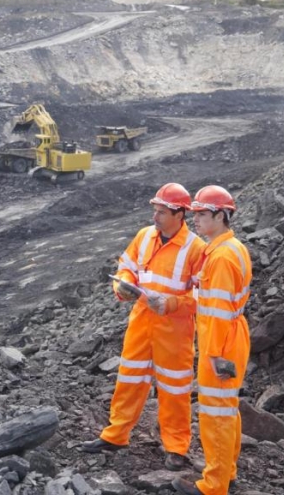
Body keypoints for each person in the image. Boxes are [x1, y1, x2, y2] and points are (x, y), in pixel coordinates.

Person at [80, 183, 206, 473]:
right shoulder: (144, 237)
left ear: (180, 214)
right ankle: (116, 435)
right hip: (141, 322)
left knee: (174, 389)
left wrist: (171, 304)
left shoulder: (195, 249)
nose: (155, 217)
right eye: (155, 210)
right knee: (129, 380)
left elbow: (202, 296)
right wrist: (121, 286)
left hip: (174, 331)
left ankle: (176, 447)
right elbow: (127, 268)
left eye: (162, 212)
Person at [171, 186, 253, 495]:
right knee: (226, 410)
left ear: (220, 216)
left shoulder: (220, 257)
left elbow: (217, 311)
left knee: (215, 414)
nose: (195, 220)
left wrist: (216, 355)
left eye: (202, 214)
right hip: (231, 336)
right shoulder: (231, 248)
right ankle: (226, 473)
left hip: (221, 341)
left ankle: (213, 486)